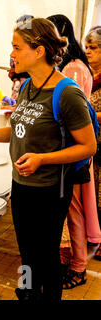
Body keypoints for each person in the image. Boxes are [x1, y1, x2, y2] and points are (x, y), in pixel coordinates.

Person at [0, 18, 96, 300]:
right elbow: (18, 130)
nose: (11, 54)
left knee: (46, 257)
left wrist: (42, 159)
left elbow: (88, 146)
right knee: (27, 253)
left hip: (50, 190)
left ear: (39, 51)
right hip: (21, 185)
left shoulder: (67, 93)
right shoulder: (27, 88)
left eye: (16, 47)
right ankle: (28, 292)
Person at [47, 14, 101, 290]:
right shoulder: (71, 66)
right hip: (67, 151)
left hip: (73, 153)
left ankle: (78, 265)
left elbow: (71, 117)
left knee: (74, 210)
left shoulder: (74, 70)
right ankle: (69, 256)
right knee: (69, 209)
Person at [85, 26, 101, 261]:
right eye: (86, 47)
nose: (88, 51)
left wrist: (88, 114)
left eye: (93, 48)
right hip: (92, 145)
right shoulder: (87, 74)